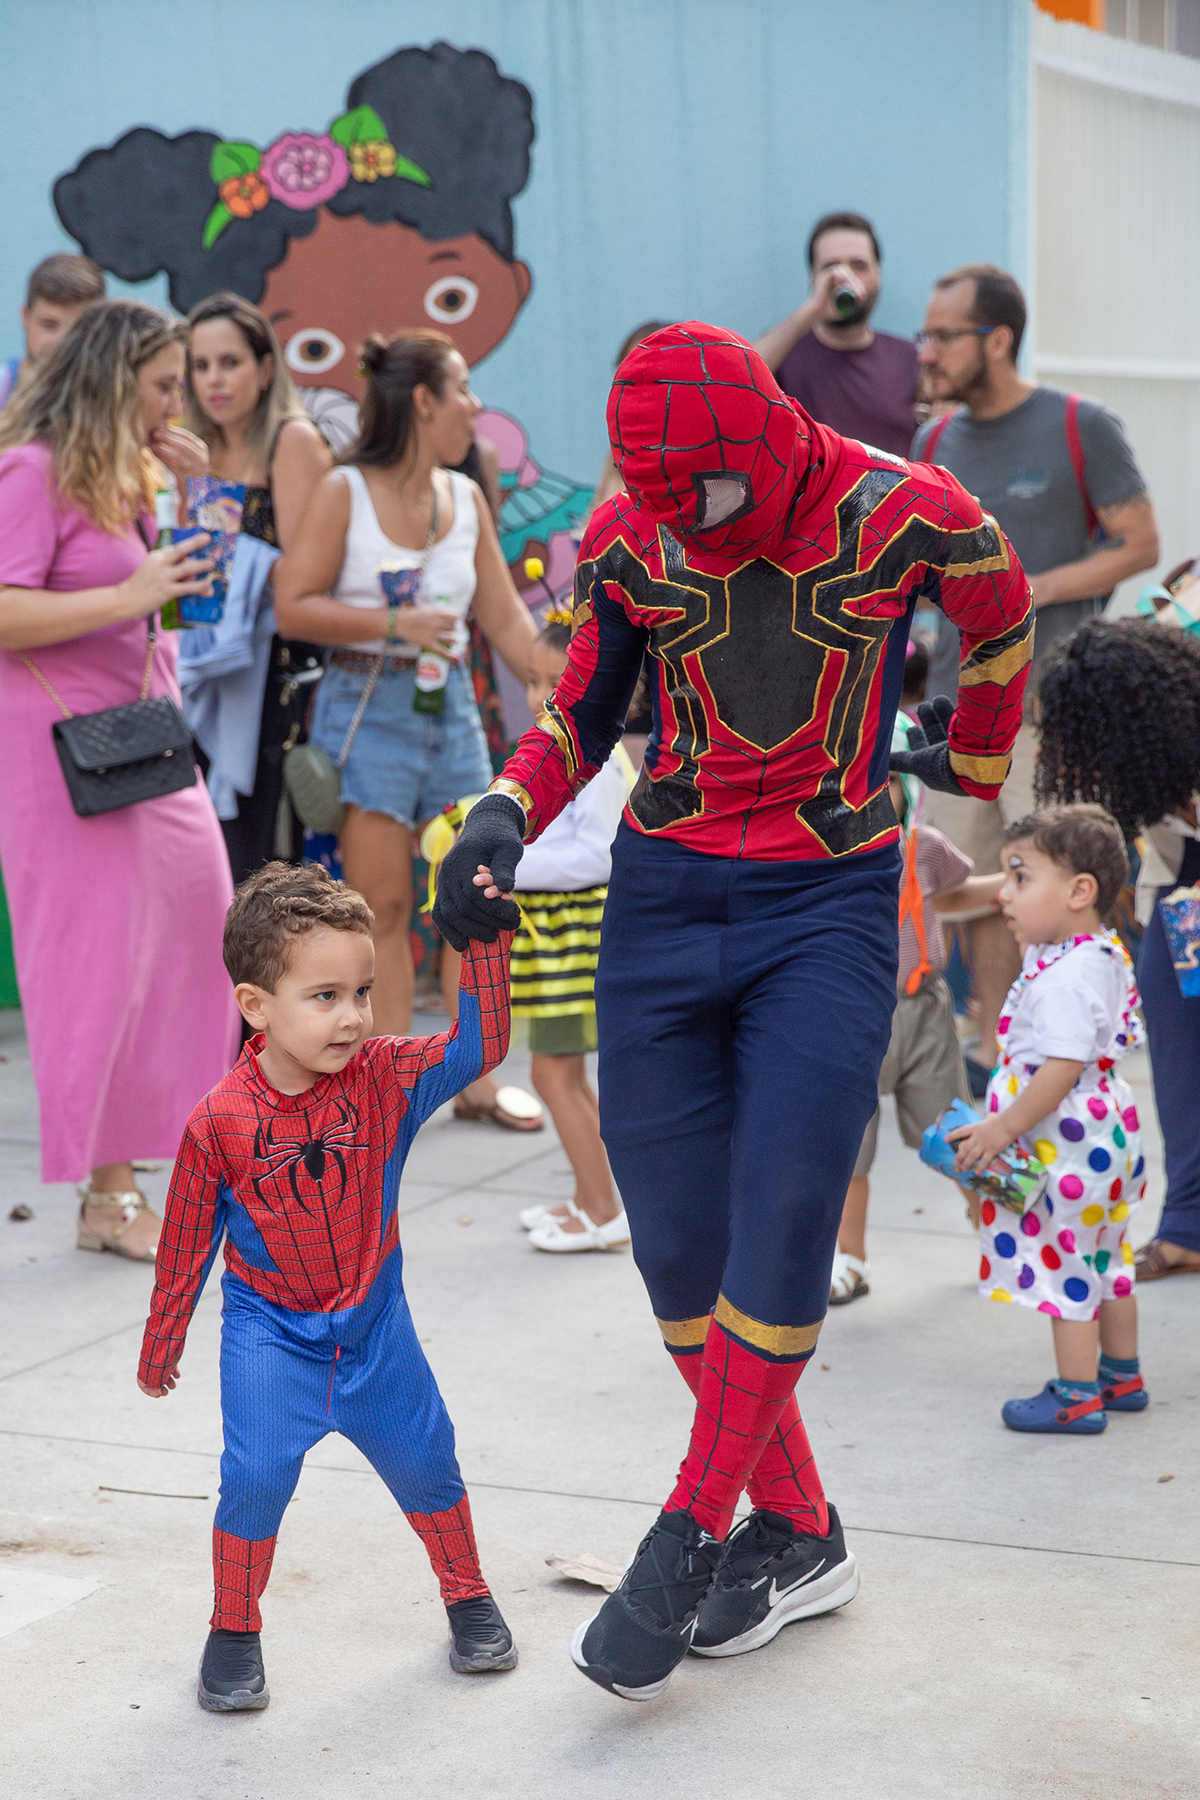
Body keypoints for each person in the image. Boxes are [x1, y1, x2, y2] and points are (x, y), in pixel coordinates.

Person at [432, 320, 1033, 1699]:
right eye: (652, 494)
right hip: (663, 902)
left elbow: (999, 602)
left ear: (755, 442)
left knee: (785, 1212)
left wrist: (982, 741)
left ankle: (696, 1526)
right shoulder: (635, 534)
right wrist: (504, 811)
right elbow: (580, 703)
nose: (675, 519)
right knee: (676, 1249)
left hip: (828, 898)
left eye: (695, 492)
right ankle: (803, 1532)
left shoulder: (904, 506)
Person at [138, 862, 518, 1710]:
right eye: (324, 996)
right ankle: (233, 1626)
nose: (352, 1016)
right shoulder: (218, 1123)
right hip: (270, 1334)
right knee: (256, 1477)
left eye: (364, 991)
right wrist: (163, 1339)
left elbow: (478, 1048)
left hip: (376, 1326)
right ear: (255, 1006)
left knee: (428, 1460)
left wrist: (484, 948)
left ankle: (467, 1591)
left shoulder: (385, 1079)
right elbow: (186, 1242)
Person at [0, 300, 239, 1255]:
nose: (179, 400)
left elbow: (190, 595)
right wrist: (129, 591)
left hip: (143, 734)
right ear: (113, 380)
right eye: (165, 384)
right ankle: (109, 1195)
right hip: (59, 752)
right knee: (102, 965)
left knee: (195, 933)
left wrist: (200, 493)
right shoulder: (30, 471)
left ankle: (160, 1162)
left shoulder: (127, 477)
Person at [273, 329, 542, 1130]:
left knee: (472, 897)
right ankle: (386, 1083)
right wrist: (394, 623)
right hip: (369, 711)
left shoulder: (464, 498)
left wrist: (569, 675)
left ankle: (474, 1079)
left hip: (451, 711)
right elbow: (294, 604)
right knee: (380, 911)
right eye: (462, 388)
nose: (475, 404)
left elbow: (504, 619)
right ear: (423, 401)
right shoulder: (342, 489)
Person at [912, 264, 1160, 1074]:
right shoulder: (933, 443)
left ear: (999, 339)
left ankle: (1084, 1062)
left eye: (944, 336)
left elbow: (1140, 543)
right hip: (953, 722)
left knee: (1066, 886)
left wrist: (1033, 590)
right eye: (926, 335)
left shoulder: (1080, 425)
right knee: (973, 891)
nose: (928, 352)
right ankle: (1000, 1049)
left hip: (1051, 719)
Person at [948, 806, 1148, 1435]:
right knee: (1107, 1259)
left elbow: (1059, 1069)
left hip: (1067, 1146)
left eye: (1019, 877)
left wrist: (1000, 1128)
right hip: (1104, 1140)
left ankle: (1076, 1395)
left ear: (1079, 891)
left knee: (1067, 1271)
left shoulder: (1064, 978)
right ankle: (1122, 1374)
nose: (1002, 894)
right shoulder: (1097, 953)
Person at [1034, 618, 1200, 1283]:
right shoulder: (1147, 766)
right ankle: (1188, 1224)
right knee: (1174, 1029)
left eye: (1070, 734)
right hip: (1185, 879)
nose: (1056, 750)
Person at [831, 727, 1003, 1306]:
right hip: (850, 1011)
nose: (870, 796)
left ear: (907, 786)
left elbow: (950, 896)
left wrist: (1015, 883)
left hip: (923, 1011)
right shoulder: (826, 853)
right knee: (847, 1145)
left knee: (956, 1134)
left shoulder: (923, 846)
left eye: (884, 782)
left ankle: (1000, 1241)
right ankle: (849, 1259)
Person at [183, 292, 333, 881]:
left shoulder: (291, 441)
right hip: (204, 677)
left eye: (230, 362)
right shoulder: (194, 446)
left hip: (275, 683)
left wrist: (207, 508)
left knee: (260, 870)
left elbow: (301, 579)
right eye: (200, 366)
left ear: (265, 367)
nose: (214, 380)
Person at [509, 610, 634, 1251]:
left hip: (575, 942)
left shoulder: (597, 763)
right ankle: (595, 1199)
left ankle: (602, 1210)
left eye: (553, 684)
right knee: (567, 1075)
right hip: (561, 939)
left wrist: (509, 860)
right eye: (531, 682)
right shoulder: (566, 754)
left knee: (552, 1076)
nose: (537, 698)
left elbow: (598, 855)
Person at [755, 211, 919, 458]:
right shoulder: (784, 350)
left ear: (878, 274)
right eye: (831, 267)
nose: (846, 278)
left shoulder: (910, 357)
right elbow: (735, 382)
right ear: (813, 278)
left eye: (859, 266)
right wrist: (812, 309)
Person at [0, 252, 106, 410]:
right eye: (49, 325)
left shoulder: (112, 407)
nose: (60, 342)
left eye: (76, 329)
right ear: (25, 317)